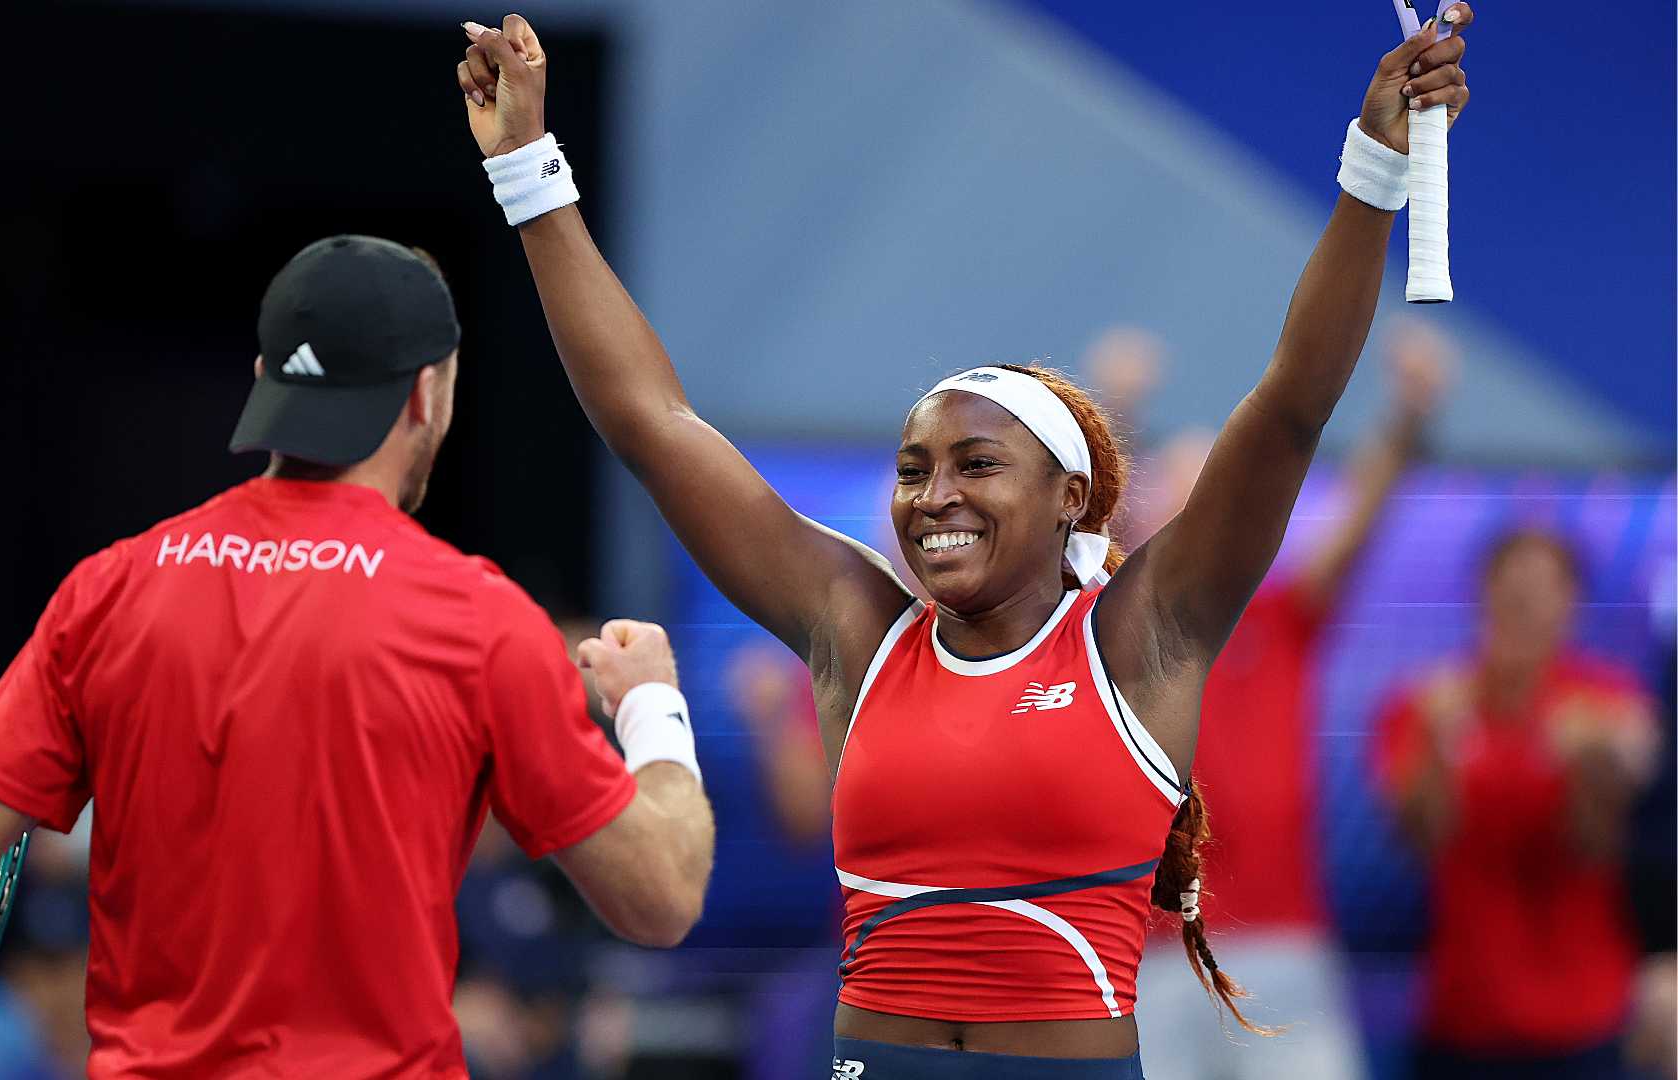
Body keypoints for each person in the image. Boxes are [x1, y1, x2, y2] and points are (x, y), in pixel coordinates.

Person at [454, 9, 1475, 1077]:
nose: (933, 495)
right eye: (912, 468)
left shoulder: (1144, 635)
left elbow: (1291, 406)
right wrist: (529, 168)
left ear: (1072, 496)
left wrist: (1372, 173)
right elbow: (651, 425)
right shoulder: (854, 625)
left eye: (977, 465)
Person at [0, 236, 716, 1080]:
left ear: (262, 382)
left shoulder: (109, 590)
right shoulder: (481, 622)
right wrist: (652, 704)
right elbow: (660, 897)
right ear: (427, 395)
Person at [1118, 323, 1452, 1080]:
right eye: (1179, 492)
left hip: (1282, 944)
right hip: (1154, 953)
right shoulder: (1115, 628)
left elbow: (1360, 523)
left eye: (1213, 495)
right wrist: (1119, 416)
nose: (1200, 512)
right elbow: (1080, 526)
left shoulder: (1281, 616)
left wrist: (1407, 416)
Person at [1375, 529, 1659, 1080]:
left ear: (1571, 603)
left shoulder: (1606, 699)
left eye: (1544, 588)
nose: (1526, 604)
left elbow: (1599, 841)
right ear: (1485, 596)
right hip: (1465, 1014)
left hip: (1584, 1013)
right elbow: (1421, 840)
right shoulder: (1426, 703)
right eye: (1513, 588)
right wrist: (1437, 748)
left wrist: (1594, 762)